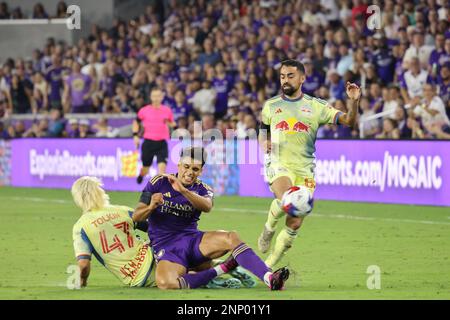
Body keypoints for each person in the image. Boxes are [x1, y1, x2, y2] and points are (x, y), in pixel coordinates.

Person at [132, 147, 290, 290]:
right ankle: (221, 269)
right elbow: (137, 216)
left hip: (193, 242)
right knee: (166, 283)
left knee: (231, 237)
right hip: (166, 247)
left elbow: (207, 206)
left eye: (195, 169)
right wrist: (151, 206)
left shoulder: (203, 189)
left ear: (201, 171)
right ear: (179, 165)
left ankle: (269, 278)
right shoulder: (158, 182)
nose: (190, 172)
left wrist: (183, 190)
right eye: (186, 167)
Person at [257, 59, 361, 268]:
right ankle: (269, 228)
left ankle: (267, 266)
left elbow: (349, 122)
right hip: (279, 164)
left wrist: (354, 101)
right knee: (289, 198)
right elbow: (262, 131)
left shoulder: (317, 107)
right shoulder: (271, 105)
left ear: (303, 78)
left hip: (305, 169)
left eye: (290, 76)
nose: (285, 80)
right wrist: (263, 142)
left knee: (295, 220)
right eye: (282, 76)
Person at [133, 87, 176, 184]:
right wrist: (135, 135)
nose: (156, 98)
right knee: (146, 168)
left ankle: (159, 192)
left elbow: (171, 123)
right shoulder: (144, 110)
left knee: (162, 171)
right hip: (148, 143)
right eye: (154, 96)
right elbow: (136, 122)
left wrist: (177, 128)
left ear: (162, 97)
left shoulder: (167, 110)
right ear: (151, 97)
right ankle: (141, 175)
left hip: (162, 143)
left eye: (158, 96)